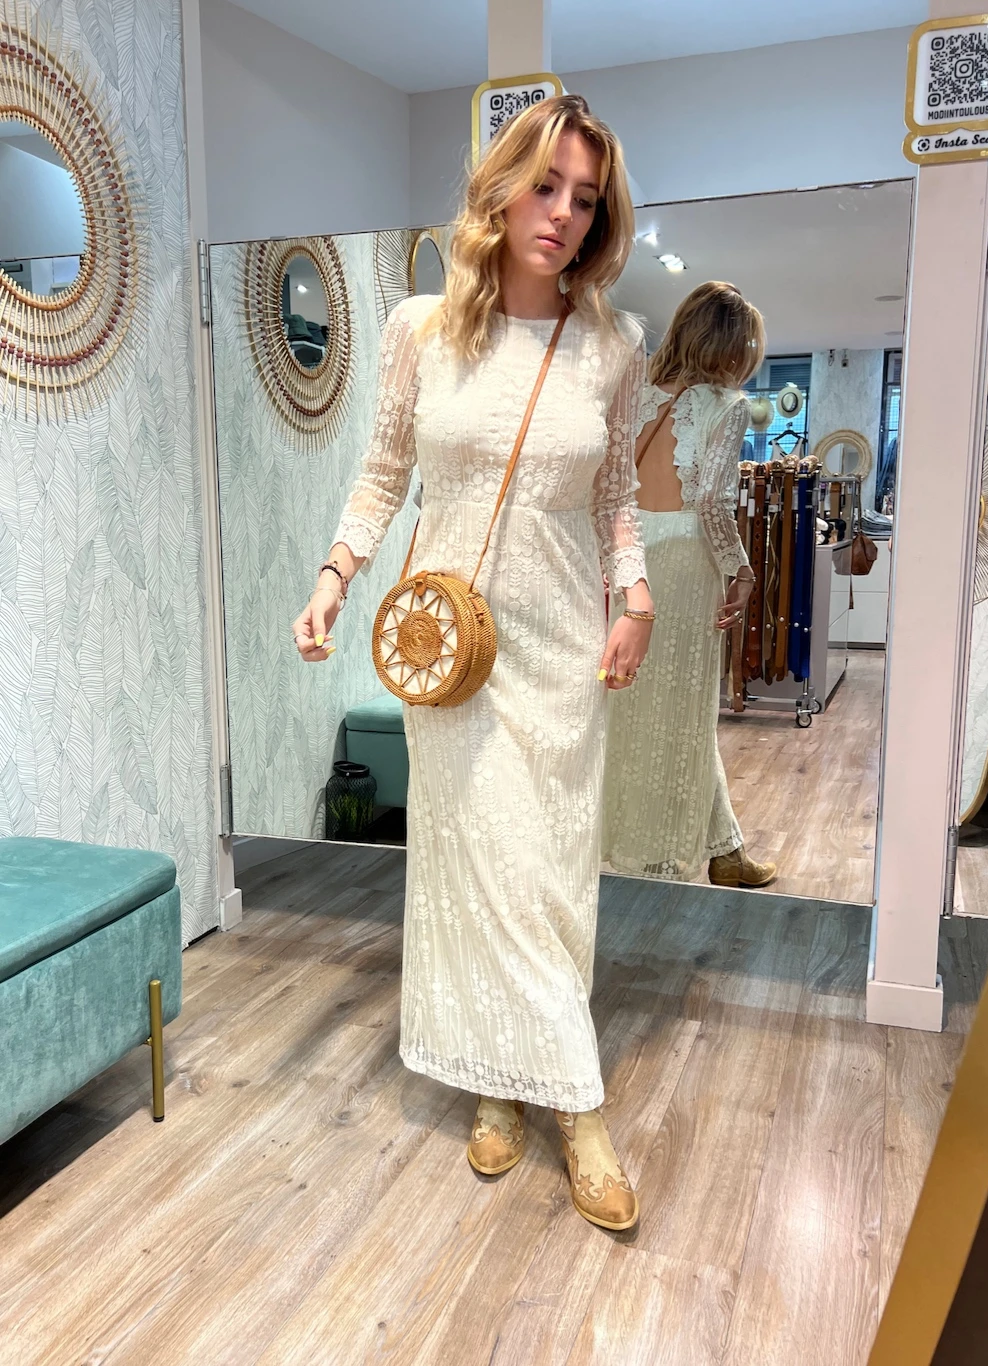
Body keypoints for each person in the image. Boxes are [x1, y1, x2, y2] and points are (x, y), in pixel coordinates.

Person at [292, 95, 654, 1232]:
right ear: (498, 187)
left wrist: (637, 593)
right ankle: (554, 1097)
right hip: (452, 652)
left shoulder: (614, 346)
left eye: (584, 197)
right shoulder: (421, 330)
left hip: (560, 646)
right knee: (478, 862)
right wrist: (334, 576)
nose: (562, 213)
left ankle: (526, 1077)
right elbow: (382, 472)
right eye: (544, 185)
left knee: (547, 870)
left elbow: (616, 494)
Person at [603, 282, 777, 889]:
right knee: (683, 715)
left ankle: (725, 850)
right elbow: (711, 502)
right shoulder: (726, 406)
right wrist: (742, 571)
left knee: (631, 709)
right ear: (730, 346)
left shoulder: (636, 395)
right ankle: (656, 859)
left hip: (627, 559)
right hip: (683, 560)